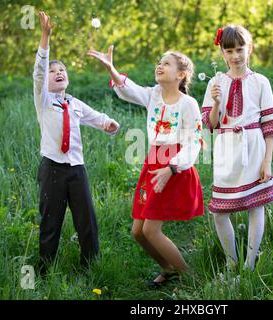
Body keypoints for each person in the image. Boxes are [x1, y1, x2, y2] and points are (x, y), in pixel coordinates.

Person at [88, 46, 204, 286]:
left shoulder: (188, 104)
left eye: (167, 64)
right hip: (152, 164)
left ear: (181, 74)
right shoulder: (153, 95)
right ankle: (168, 269)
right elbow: (128, 90)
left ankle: (191, 278)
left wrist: (172, 167)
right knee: (138, 232)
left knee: (151, 230)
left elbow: (195, 142)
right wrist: (111, 69)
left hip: (173, 168)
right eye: (158, 62)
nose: (159, 66)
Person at [33, 12, 120, 272]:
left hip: (77, 169)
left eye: (62, 70)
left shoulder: (74, 103)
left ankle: (90, 267)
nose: (58, 72)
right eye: (53, 71)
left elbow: (96, 117)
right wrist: (45, 37)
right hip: (53, 169)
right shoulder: (44, 100)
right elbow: (39, 71)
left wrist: (109, 124)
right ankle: (45, 270)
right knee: (51, 222)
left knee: (87, 221)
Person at [201, 25, 273, 271]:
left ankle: (249, 264)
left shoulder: (260, 82)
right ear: (222, 52)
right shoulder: (215, 83)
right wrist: (216, 102)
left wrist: (267, 162)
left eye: (240, 49)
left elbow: (269, 125)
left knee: (255, 206)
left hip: (253, 145)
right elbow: (212, 124)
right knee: (220, 212)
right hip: (227, 148)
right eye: (229, 50)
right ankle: (231, 261)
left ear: (249, 49)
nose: (235, 55)